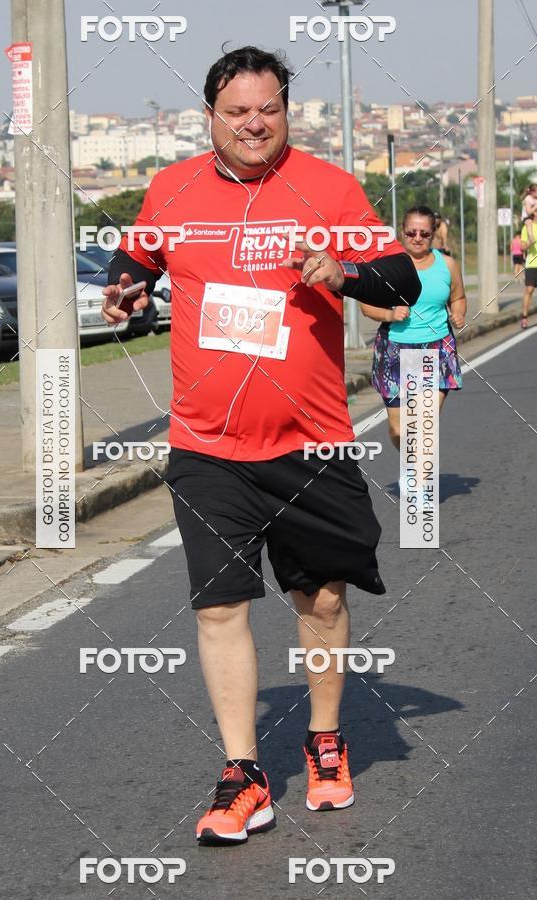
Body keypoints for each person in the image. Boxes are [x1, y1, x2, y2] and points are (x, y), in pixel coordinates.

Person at [101, 46, 420, 845]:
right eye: (238, 110)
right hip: (207, 445)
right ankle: (244, 774)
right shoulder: (171, 190)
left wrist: (339, 273)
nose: (254, 123)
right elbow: (131, 261)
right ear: (209, 114)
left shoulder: (329, 188)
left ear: (287, 112)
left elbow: (400, 284)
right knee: (219, 604)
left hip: (309, 442)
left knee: (321, 600)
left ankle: (322, 739)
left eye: (268, 109)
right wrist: (125, 289)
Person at [361, 205, 465, 452]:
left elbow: (458, 296)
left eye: (424, 233)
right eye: (411, 233)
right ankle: (413, 464)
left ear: (433, 233)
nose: (417, 238)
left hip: (436, 347)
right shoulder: (387, 265)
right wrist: (390, 313)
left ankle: (419, 482)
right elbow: (366, 306)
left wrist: (458, 313)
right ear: (402, 232)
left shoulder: (447, 264)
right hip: (395, 348)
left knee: (424, 424)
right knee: (400, 430)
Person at [520, 209, 537, 329]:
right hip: (532, 264)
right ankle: (524, 317)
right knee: (529, 290)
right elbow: (522, 247)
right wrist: (530, 243)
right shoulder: (527, 227)